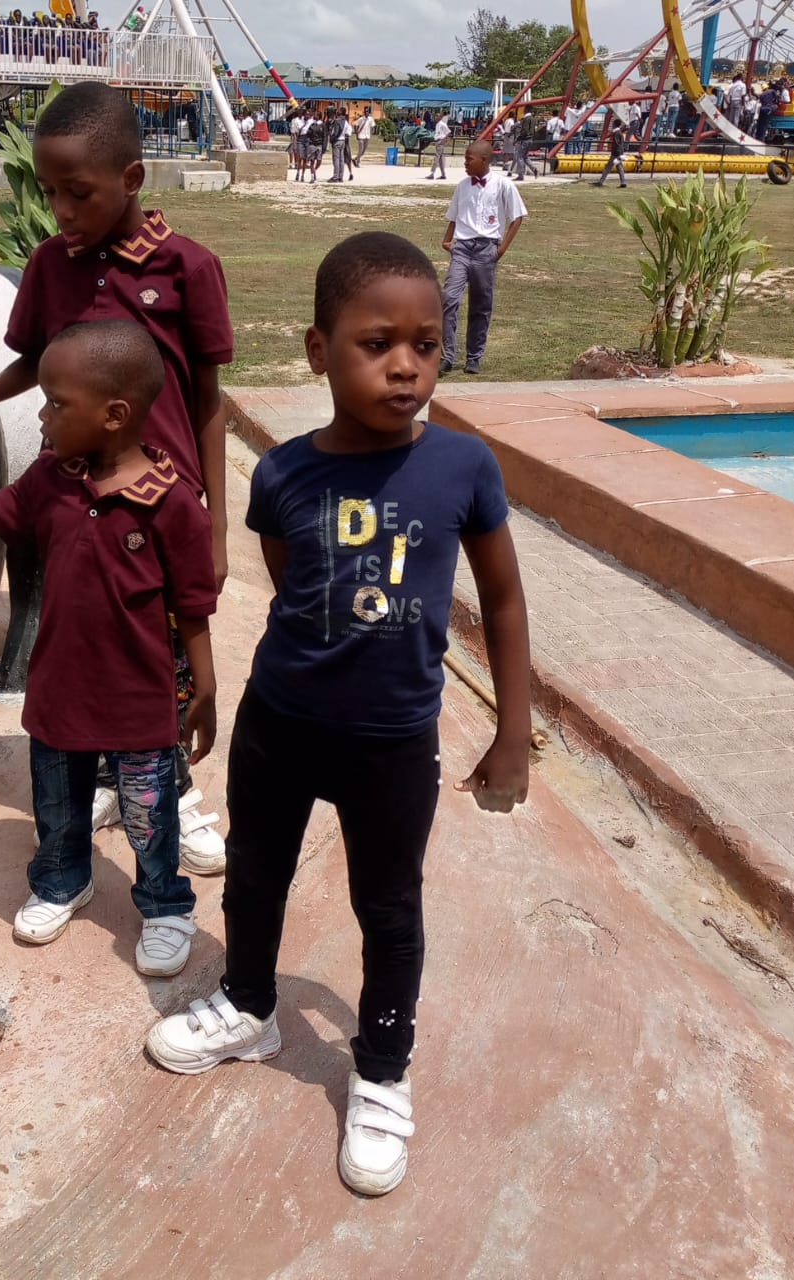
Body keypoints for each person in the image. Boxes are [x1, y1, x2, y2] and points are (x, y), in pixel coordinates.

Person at [144, 231, 531, 1197]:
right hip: (280, 725)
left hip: (392, 744)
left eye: (426, 345)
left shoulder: (463, 468)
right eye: (376, 344)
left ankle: (383, 1070)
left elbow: (504, 600)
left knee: (389, 909)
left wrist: (512, 729)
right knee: (254, 876)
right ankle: (249, 1006)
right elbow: (293, 586)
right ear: (319, 351)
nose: (406, 367)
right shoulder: (282, 474)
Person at [0, 81, 234, 874]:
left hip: (161, 503)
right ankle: (108, 777)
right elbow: (38, 363)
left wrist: (216, 523)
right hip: (77, 498)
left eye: (77, 192)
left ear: (131, 178)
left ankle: (172, 792)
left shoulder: (188, 268)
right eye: (49, 193)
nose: (61, 211)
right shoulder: (51, 265)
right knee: (92, 644)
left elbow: (208, 400)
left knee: (163, 657)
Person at [0, 321, 217, 974]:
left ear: (114, 415)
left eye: (55, 403)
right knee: (58, 806)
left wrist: (204, 688)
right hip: (59, 691)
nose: (42, 415)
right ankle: (61, 880)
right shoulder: (52, 479)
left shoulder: (172, 503)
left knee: (151, 816)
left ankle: (164, 904)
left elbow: (193, 607)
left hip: (140, 702)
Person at [440, 137, 526, 376]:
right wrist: (447, 240)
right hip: (462, 248)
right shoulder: (462, 186)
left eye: (469, 159)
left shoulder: (503, 185)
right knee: (449, 298)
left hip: (486, 249)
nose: (465, 163)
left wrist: (501, 250)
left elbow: (517, 217)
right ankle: (447, 355)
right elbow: (454, 216)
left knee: (481, 304)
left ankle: (474, 356)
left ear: (484, 160)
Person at [594, 116, 629, 188]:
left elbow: (617, 144)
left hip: (615, 153)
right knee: (620, 168)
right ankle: (623, 182)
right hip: (619, 153)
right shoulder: (619, 133)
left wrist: (618, 154)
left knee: (608, 167)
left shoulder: (617, 133)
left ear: (614, 124)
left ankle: (601, 181)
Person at [510, 110, 538, 181]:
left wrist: (518, 139)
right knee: (525, 157)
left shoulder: (526, 119)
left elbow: (525, 131)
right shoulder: (533, 119)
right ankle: (533, 169)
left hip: (524, 140)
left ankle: (521, 175)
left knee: (520, 157)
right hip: (530, 140)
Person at [301, 107, 325, 184]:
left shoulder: (322, 125)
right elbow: (308, 133)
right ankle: (312, 177)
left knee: (319, 161)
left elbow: (325, 136)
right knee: (312, 161)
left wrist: (324, 146)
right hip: (312, 145)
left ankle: (314, 171)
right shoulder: (312, 125)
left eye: (316, 115)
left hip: (319, 145)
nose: (314, 116)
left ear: (319, 116)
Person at [326, 108, 347, 182]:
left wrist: (332, 139)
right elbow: (348, 131)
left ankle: (336, 176)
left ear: (341, 112)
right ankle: (341, 176)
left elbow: (336, 132)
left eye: (339, 111)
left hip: (337, 141)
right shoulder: (345, 121)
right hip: (343, 141)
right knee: (341, 160)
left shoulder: (337, 121)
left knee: (336, 160)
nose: (337, 112)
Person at [427, 111, 449, 179]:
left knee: (436, 158)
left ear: (441, 117)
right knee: (441, 159)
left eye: (437, 116)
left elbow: (448, 132)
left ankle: (432, 173)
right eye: (435, 116)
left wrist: (443, 140)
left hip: (440, 142)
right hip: (438, 141)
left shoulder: (442, 124)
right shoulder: (437, 124)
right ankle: (443, 174)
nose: (436, 117)